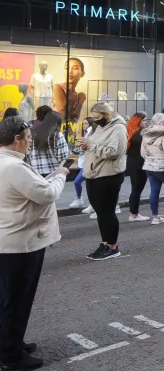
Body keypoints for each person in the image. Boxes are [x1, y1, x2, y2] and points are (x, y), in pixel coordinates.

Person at [0, 115, 70, 371]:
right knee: (17, 300)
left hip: (10, 241)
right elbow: (47, 194)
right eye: (28, 138)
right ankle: (11, 356)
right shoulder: (14, 166)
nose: (30, 142)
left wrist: (45, 177)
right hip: (22, 243)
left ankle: (11, 342)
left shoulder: (7, 161)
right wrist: (60, 174)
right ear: (17, 139)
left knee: (9, 298)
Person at [79, 102, 127, 261]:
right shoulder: (100, 127)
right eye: (93, 117)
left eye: (97, 117)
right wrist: (85, 146)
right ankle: (105, 242)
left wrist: (90, 144)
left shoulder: (118, 128)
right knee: (100, 213)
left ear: (106, 115)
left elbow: (114, 152)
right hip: (94, 174)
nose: (94, 120)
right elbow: (95, 145)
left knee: (107, 212)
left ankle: (113, 247)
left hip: (108, 175)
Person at [25, 107, 67, 178]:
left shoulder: (30, 134)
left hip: (35, 174)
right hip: (54, 174)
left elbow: (27, 155)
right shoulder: (58, 135)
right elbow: (62, 158)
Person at [125, 112, 149, 222]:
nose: (146, 122)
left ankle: (133, 213)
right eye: (144, 120)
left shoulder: (130, 132)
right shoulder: (139, 135)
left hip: (132, 162)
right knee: (137, 189)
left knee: (135, 189)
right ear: (138, 122)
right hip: (140, 164)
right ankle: (134, 214)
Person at [68, 118, 94, 210]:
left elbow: (88, 148)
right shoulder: (85, 134)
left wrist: (79, 150)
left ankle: (83, 201)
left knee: (77, 181)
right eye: (83, 123)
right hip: (83, 162)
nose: (84, 125)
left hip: (88, 163)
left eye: (86, 123)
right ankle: (86, 202)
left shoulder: (90, 133)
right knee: (89, 185)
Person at [52, 57, 87, 123]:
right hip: (57, 130)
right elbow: (64, 116)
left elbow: (75, 119)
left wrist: (80, 101)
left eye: (75, 68)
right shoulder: (58, 87)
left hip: (70, 130)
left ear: (82, 73)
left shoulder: (78, 95)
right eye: (67, 68)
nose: (70, 72)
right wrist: (80, 101)